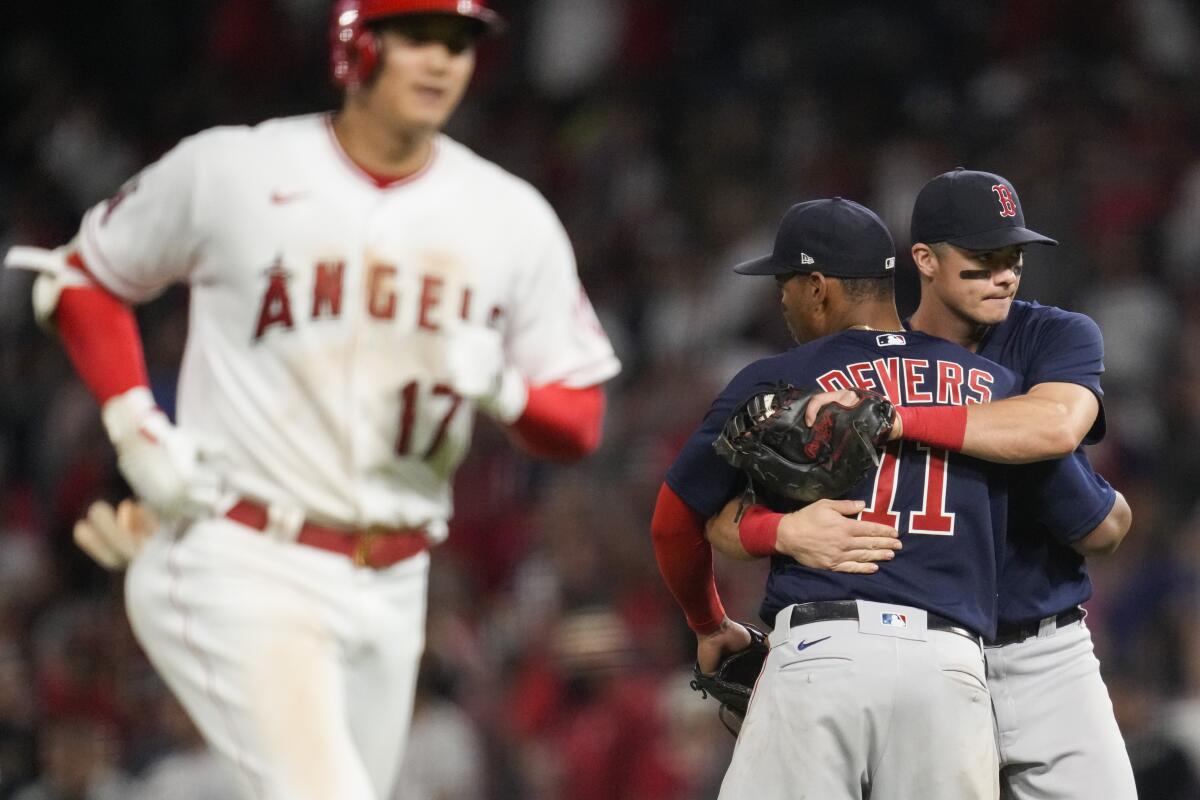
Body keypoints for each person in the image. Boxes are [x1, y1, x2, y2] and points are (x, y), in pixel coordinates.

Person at [5, 2, 621, 799]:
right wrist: (136, 427)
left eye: (459, 43)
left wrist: (505, 390)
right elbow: (84, 277)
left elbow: (580, 420)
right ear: (355, 47)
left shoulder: (509, 217)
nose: (441, 61)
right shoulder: (236, 169)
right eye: (417, 39)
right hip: (242, 555)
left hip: (394, 587)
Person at [651, 197, 1024, 799]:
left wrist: (709, 622)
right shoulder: (998, 388)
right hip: (951, 669)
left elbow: (673, 524)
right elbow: (1084, 526)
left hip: (826, 655)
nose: (781, 298)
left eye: (786, 283)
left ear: (818, 288)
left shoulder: (776, 378)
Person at [798, 169, 1136, 798]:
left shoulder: (1054, 333)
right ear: (924, 259)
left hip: (1044, 648)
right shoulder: (874, 355)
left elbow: (1058, 424)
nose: (1004, 274)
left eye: (1013, 257)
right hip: (924, 652)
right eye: (983, 259)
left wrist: (897, 418)